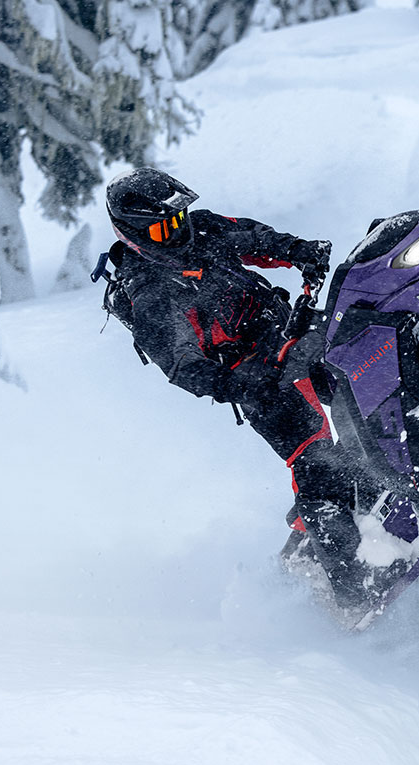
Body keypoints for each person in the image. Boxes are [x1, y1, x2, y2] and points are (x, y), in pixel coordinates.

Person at [99, 167, 371, 610]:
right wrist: (235, 383)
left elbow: (252, 239)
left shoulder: (202, 228)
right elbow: (182, 364)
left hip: (288, 329)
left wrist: (297, 250)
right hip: (256, 375)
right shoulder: (149, 291)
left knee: (372, 369)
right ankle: (353, 592)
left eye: (179, 216)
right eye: (165, 226)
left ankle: (403, 464)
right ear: (134, 234)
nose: (179, 229)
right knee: (318, 462)